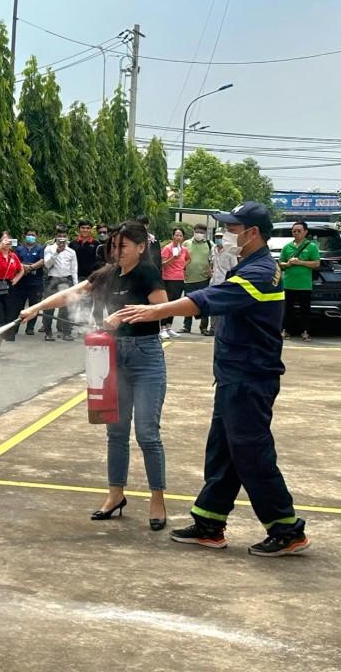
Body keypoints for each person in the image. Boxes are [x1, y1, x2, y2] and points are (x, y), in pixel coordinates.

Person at [117, 201, 308, 557]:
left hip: (250, 377)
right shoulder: (249, 265)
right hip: (234, 375)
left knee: (252, 453)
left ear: (252, 233)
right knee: (223, 451)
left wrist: (155, 311)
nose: (226, 234)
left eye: (232, 228)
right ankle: (209, 522)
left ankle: (286, 529)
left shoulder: (259, 272)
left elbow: (207, 299)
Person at [19, 221, 170, 529]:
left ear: (141, 247)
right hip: (114, 357)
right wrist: (37, 308)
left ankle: (157, 499)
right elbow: (73, 293)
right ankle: (116, 494)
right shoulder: (107, 274)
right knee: (116, 431)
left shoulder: (148, 273)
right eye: (113, 246)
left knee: (147, 433)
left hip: (146, 357)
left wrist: (123, 315)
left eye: (123, 246)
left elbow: (165, 310)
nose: (117, 251)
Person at [279, 220, 320, 341]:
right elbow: (280, 263)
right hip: (288, 284)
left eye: (299, 231)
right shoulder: (287, 247)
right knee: (287, 309)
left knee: (305, 310)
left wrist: (300, 262)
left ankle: (305, 332)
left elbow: (316, 263)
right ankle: (285, 331)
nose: (296, 233)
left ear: (305, 232)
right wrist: (287, 264)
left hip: (304, 285)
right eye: (294, 231)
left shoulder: (312, 246)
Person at [6, 230, 45, 341]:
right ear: (25, 236)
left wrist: (31, 267)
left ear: (37, 236)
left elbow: (42, 261)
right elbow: (15, 260)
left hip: (35, 282)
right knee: (17, 306)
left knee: (34, 305)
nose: (30, 237)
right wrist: (23, 267)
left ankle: (30, 328)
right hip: (20, 282)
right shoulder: (19, 249)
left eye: (33, 235)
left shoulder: (40, 248)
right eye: (29, 235)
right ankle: (15, 328)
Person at [41, 230, 78, 342]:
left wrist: (76, 285)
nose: (62, 238)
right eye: (59, 236)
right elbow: (47, 264)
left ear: (67, 237)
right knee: (49, 307)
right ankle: (48, 332)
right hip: (52, 280)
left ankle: (66, 333)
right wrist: (56, 252)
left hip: (67, 280)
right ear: (55, 237)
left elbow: (74, 269)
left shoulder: (71, 251)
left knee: (66, 308)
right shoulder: (49, 249)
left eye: (64, 236)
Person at [204, 231, 238, 337]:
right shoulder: (213, 249)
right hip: (214, 282)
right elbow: (211, 262)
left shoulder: (230, 251)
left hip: (225, 283)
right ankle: (213, 328)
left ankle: (224, 328)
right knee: (213, 306)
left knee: (224, 307)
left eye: (220, 237)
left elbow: (234, 268)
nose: (218, 239)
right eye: (216, 237)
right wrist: (210, 271)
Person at [181, 223, 213, 334]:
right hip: (188, 278)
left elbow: (214, 259)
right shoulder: (186, 243)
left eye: (201, 232)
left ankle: (203, 327)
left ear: (205, 233)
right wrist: (182, 271)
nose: (199, 234)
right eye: (197, 231)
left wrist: (211, 270)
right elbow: (181, 259)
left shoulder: (210, 244)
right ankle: (186, 327)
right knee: (187, 303)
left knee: (204, 303)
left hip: (204, 279)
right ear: (194, 231)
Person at [159, 228, 191, 338]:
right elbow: (162, 264)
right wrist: (173, 258)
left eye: (180, 235)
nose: (178, 237)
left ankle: (169, 327)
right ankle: (162, 328)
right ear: (173, 236)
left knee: (175, 304)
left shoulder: (184, 249)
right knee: (167, 303)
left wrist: (182, 267)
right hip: (168, 279)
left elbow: (189, 259)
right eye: (176, 235)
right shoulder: (167, 248)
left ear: (183, 238)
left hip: (179, 279)